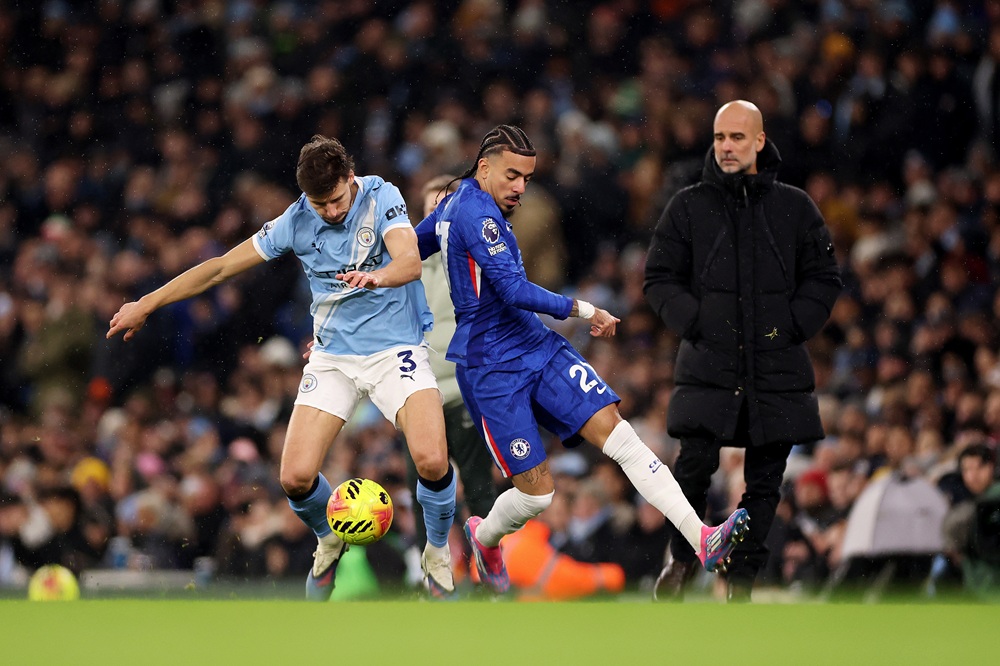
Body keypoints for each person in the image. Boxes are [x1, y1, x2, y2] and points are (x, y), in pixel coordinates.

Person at [107, 135, 459, 600]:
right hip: (333, 357)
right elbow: (218, 268)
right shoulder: (295, 220)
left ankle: (436, 553)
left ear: (349, 180)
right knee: (294, 477)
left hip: (397, 349)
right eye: (320, 204)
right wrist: (147, 303)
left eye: (335, 200)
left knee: (432, 459)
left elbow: (411, 262)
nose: (330, 212)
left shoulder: (381, 195)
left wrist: (374, 276)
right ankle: (329, 539)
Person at [414, 124, 750, 595]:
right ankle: (485, 538)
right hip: (489, 368)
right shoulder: (472, 213)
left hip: (535, 345)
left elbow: (408, 248)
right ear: (484, 167)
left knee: (621, 436)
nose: (520, 188)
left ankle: (702, 539)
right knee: (538, 496)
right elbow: (510, 289)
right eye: (512, 176)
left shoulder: (459, 205)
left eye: (527, 179)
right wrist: (585, 309)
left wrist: (361, 278)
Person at [643, 100, 843, 601]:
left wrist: (792, 326)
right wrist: (697, 323)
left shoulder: (795, 207)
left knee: (765, 483)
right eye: (718, 138)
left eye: (736, 137)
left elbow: (824, 278)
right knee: (692, 468)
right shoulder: (688, 204)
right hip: (709, 361)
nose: (726, 147)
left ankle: (741, 581)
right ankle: (683, 559)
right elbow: (658, 278)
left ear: (759, 141)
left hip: (776, 365)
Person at [404, 174, 498, 579]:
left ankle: (487, 569)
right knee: (420, 491)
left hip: (464, 389)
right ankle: (435, 572)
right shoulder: (402, 269)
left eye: (444, 208)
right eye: (429, 210)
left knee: (479, 488)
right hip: (418, 394)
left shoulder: (478, 259)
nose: (436, 218)